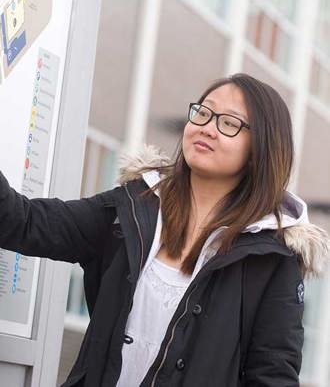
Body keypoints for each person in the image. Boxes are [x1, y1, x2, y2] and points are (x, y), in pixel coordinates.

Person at [0, 73, 329, 387]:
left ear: (261, 148)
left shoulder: (270, 259)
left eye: (229, 123)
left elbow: (273, 376)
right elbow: (23, 222)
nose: (207, 128)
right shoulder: (130, 208)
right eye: (202, 113)